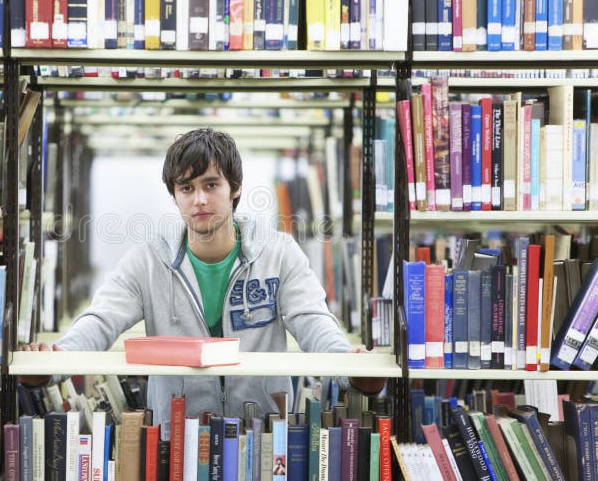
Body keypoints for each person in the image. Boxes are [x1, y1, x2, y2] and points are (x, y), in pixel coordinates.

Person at [21, 128, 385, 436]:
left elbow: (314, 324)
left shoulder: (279, 253)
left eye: (211, 184)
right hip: (176, 440)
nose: (199, 199)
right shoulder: (148, 261)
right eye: (186, 188)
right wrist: (50, 366)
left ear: (235, 188)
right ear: (174, 195)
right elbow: (99, 322)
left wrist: (350, 371)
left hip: (259, 438)